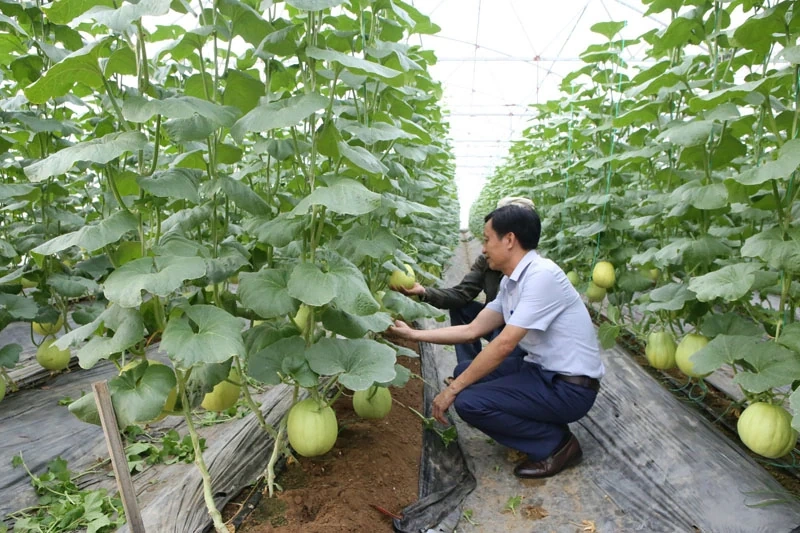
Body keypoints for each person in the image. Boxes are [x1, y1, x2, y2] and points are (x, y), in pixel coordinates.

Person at [387, 204, 604, 479]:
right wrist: (413, 335)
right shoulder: (511, 282)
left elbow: (504, 345)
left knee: (469, 402)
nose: (483, 248)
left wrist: (452, 391)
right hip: (541, 372)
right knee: (463, 372)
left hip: (569, 389)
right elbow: (472, 330)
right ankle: (542, 423)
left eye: (487, 239)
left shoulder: (541, 276)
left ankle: (556, 445)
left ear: (509, 240)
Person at [393, 197, 535, 370]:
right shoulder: (489, 263)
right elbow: (462, 295)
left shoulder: (536, 275)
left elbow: (508, 339)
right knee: (462, 308)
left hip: (519, 339)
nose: (484, 248)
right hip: (495, 323)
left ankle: (482, 373)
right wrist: (424, 292)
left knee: (499, 345)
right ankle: (468, 366)